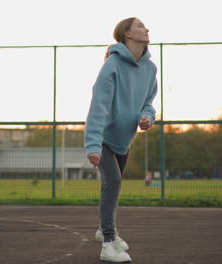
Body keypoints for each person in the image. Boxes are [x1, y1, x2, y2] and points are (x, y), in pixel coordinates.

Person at [84, 17, 157, 263]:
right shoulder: (112, 65)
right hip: (103, 137)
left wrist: (147, 117)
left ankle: (107, 229)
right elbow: (98, 107)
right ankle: (107, 243)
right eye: (140, 26)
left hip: (123, 140)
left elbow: (148, 103)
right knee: (112, 181)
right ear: (126, 33)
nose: (146, 29)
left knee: (112, 189)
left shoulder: (150, 69)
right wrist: (93, 145)